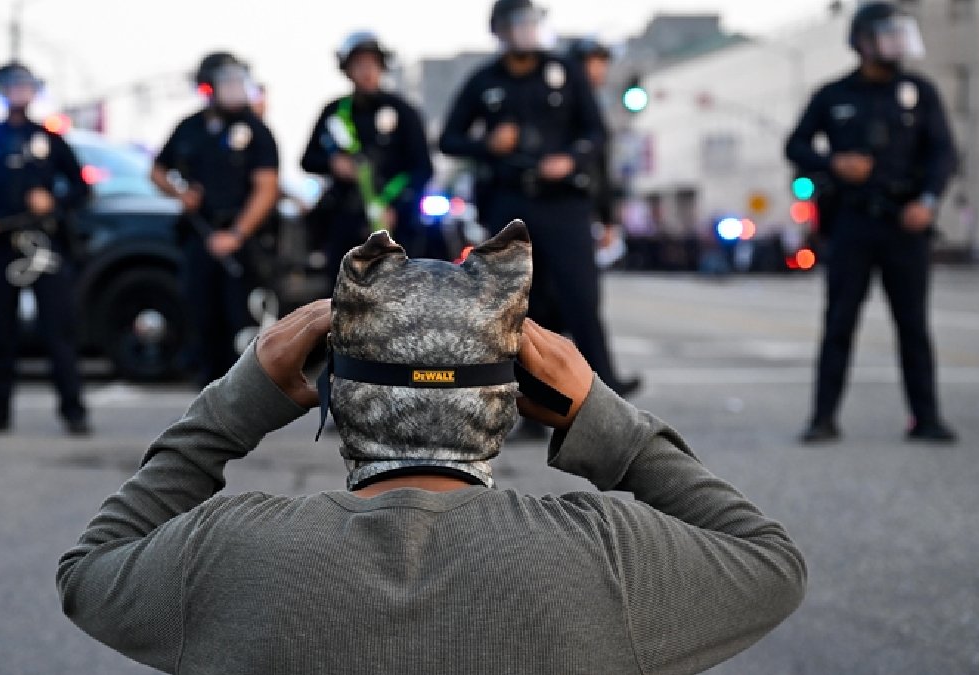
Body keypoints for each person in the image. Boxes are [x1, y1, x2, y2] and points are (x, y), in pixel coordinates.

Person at [57, 222, 805, 674]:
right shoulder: (605, 555)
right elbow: (771, 562)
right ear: (509, 402)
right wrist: (605, 420)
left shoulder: (227, 552)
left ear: (339, 398)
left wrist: (235, 402)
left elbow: (88, 568)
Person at [439, 0, 640, 406]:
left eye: (533, 22)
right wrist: (488, 144)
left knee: (580, 298)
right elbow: (449, 139)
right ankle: (524, 400)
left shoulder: (564, 71)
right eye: (519, 23)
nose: (528, 30)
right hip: (509, 202)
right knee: (517, 306)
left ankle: (604, 396)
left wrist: (571, 158)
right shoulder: (484, 81)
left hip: (564, 204)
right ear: (500, 30)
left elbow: (596, 133)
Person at [786, 1, 958, 444]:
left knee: (913, 325)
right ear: (862, 41)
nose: (896, 43)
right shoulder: (834, 94)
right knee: (840, 321)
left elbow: (943, 152)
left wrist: (930, 200)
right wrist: (833, 163)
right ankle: (823, 418)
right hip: (852, 224)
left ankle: (926, 417)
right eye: (887, 34)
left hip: (906, 224)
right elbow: (796, 145)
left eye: (900, 34)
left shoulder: (920, 91)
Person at [0, 63, 92, 436]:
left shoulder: (48, 138)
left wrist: (53, 202)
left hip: (43, 243)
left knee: (57, 329)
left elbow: (82, 189)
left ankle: (74, 411)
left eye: (25, 87)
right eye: (12, 87)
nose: (19, 93)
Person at [150, 52, 280, 386]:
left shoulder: (255, 130)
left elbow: (266, 189)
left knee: (243, 319)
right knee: (202, 316)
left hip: (242, 240)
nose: (236, 90)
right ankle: (206, 388)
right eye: (228, 83)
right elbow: (158, 171)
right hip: (201, 235)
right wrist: (179, 193)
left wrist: (236, 234)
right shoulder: (190, 127)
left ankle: (247, 392)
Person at [301, 31, 433, 272]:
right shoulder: (334, 112)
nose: (366, 72)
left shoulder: (404, 112)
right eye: (359, 65)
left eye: (372, 64)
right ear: (347, 70)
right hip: (346, 219)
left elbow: (423, 168)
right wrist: (333, 164)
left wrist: (397, 206)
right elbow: (308, 160)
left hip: (395, 220)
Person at [568, 36, 624, 258]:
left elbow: (600, 167)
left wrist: (607, 219)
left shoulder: (593, 106)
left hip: (583, 209)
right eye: (594, 63)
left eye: (603, 63)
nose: (601, 70)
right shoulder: (561, 107)